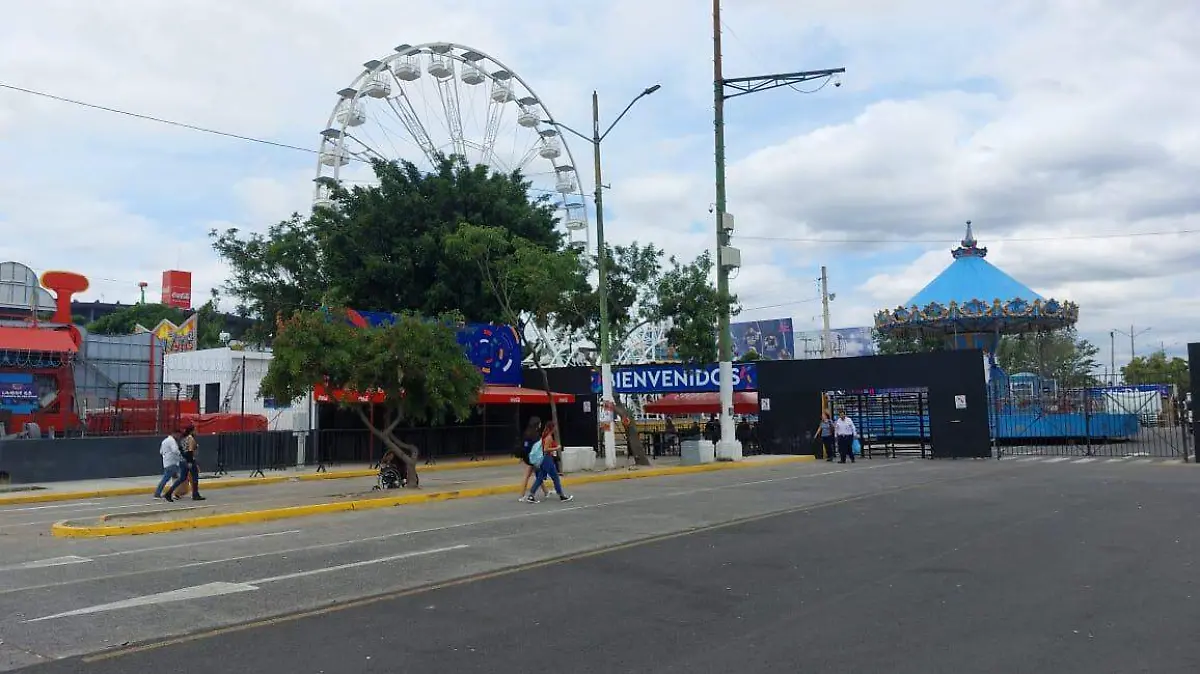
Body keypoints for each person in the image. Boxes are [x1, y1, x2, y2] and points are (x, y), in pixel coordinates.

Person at [524, 421, 573, 503]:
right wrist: (556, 448)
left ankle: (531, 495)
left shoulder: (544, 435)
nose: (556, 429)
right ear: (552, 428)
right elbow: (546, 449)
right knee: (555, 477)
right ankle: (561, 496)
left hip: (544, 459)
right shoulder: (549, 437)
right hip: (547, 459)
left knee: (540, 478)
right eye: (555, 427)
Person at [517, 417, 549, 501]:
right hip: (533, 458)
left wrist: (522, 457)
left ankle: (546, 492)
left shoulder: (526, 433)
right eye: (540, 423)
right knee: (530, 476)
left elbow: (524, 446)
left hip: (527, 457)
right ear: (537, 424)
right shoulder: (536, 436)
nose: (540, 425)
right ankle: (522, 495)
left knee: (537, 475)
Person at [153, 428, 185, 501]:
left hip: (167, 462)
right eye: (179, 435)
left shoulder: (165, 441)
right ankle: (159, 493)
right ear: (175, 433)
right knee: (176, 478)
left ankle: (175, 493)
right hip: (172, 462)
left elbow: (161, 451)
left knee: (175, 478)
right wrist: (181, 456)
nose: (179, 437)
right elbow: (175, 450)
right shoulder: (172, 441)